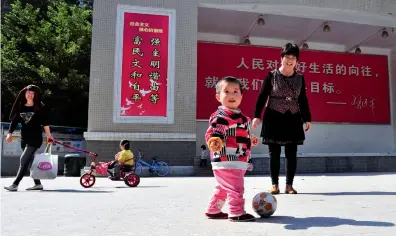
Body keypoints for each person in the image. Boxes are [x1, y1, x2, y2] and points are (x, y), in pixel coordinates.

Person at [252, 43, 312, 195]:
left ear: (297, 61)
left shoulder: (300, 78)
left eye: (293, 58)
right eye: (287, 57)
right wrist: (256, 116)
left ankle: (289, 185)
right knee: (274, 153)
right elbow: (262, 96)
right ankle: (274, 185)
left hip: (293, 117)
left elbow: (303, 99)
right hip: (274, 116)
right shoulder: (271, 76)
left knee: (292, 153)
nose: (290, 61)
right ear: (281, 58)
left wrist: (307, 118)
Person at [205, 76, 259, 222]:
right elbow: (216, 130)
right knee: (235, 187)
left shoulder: (243, 118)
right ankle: (236, 212)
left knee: (224, 187)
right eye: (226, 91)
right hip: (226, 159)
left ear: (241, 95)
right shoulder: (222, 116)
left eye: (235, 91)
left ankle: (213, 210)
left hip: (237, 159)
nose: (231, 95)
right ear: (218, 97)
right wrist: (215, 140)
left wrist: (251, 139)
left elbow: (240, 135)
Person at [4, 85, 53, 192]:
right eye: (28, 93)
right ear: (24, 94)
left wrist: (49, 136)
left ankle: (15, 184)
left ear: (35, 95)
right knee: (30, 161)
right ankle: (38, 184)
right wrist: (9, 133)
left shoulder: (39, 107)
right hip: (24, 138)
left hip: (35, 139)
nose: (30, 95)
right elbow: (15, 121)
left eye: (32, 93)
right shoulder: (21, 106)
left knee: (23, 159)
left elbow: (45, 123)